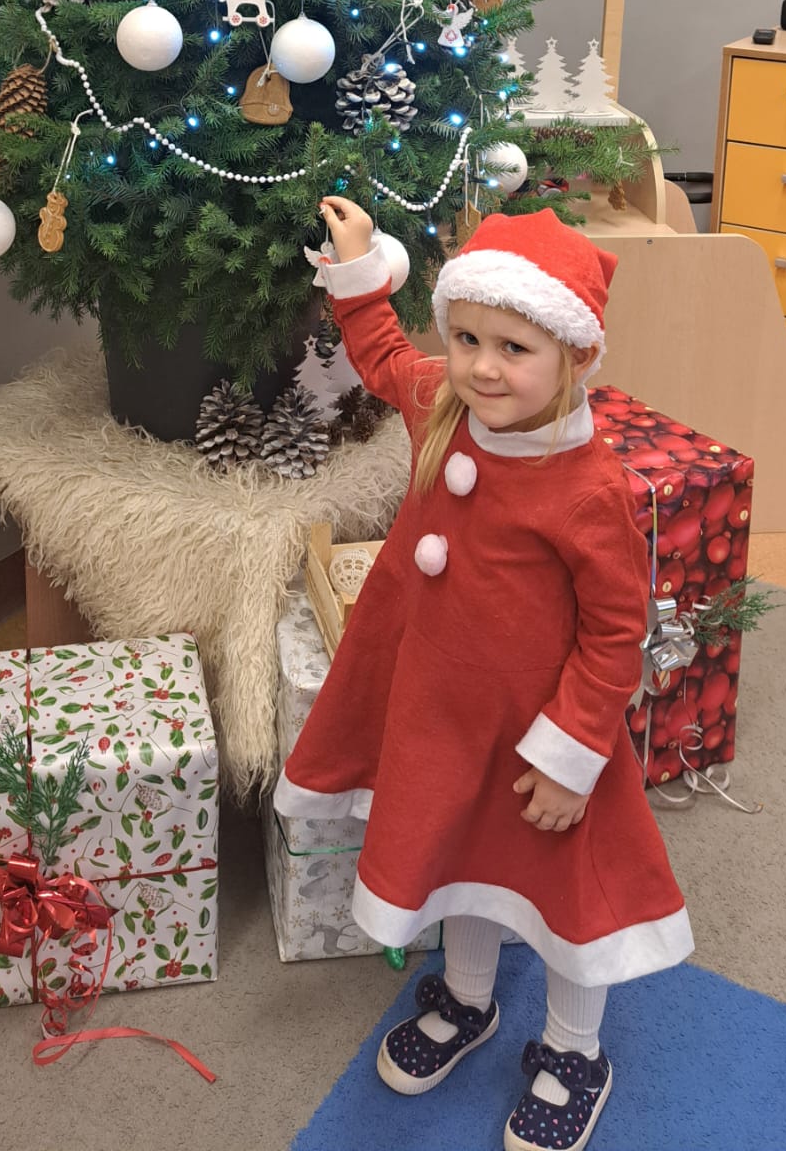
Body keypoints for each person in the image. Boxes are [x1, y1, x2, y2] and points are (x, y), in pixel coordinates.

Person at [275, 197, 693, 1151]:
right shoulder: (443, 405)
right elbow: (382, 355)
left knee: (564, 891)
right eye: (465, 339)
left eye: (513, 348)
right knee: (455, 855)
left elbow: (616, 632)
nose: (482, 367)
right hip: (442, 715)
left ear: (574, 356)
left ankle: (575, 1051)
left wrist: (569, 757)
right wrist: (356, 267)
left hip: (541, 732)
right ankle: (467, 998)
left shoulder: (587, 487)